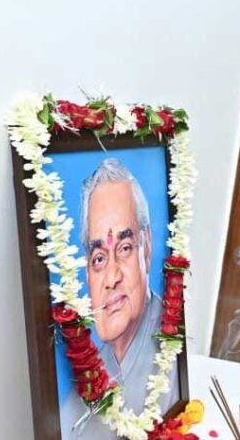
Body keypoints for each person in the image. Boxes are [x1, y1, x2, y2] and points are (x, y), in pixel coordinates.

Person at [61, 158, 178, 439]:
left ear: (146, 247)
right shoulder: (83, 391)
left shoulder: (172, 355)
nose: (111, 277)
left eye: (124, 248)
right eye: (99, 258)